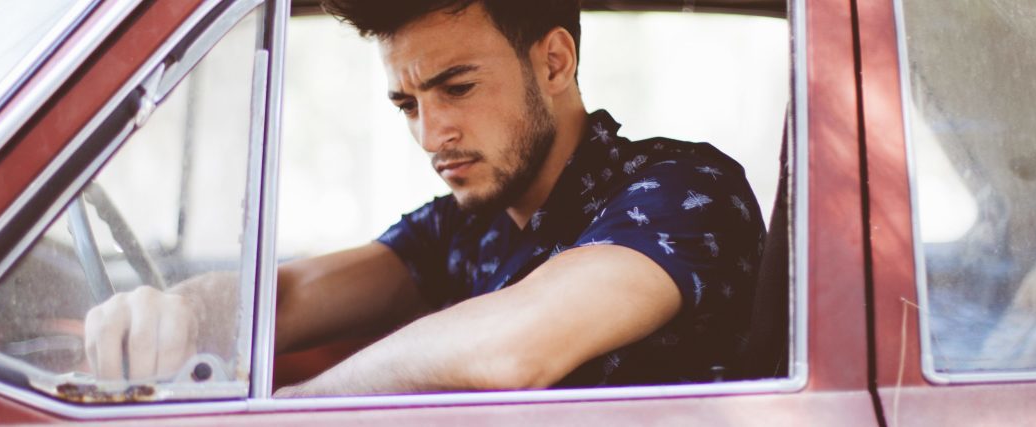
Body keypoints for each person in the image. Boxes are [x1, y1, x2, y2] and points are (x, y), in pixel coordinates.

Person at [83, 0, 765, 396]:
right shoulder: (467, 222)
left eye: (457, 87)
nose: (429, 132)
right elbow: (288, 297)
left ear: (554, 63)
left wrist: (294, 407)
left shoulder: (684, 189)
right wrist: (175, 313)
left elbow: (514, 344)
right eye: (406, 102)